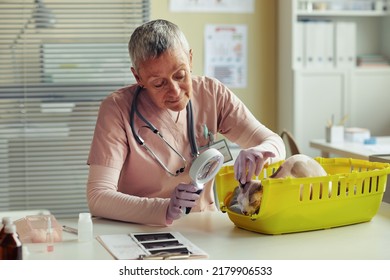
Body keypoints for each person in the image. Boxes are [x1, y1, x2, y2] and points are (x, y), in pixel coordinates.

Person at [86, 19, 286, 226]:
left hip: (204, 225)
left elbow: (276, 143)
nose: (174, 90)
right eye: (159, 83)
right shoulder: (117, 109)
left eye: (180, 75)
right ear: (138, 77)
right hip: (142, 229)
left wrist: (262, 151)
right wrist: (164, 208)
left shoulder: (212, 94)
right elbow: (98, 196)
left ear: (190, 59)